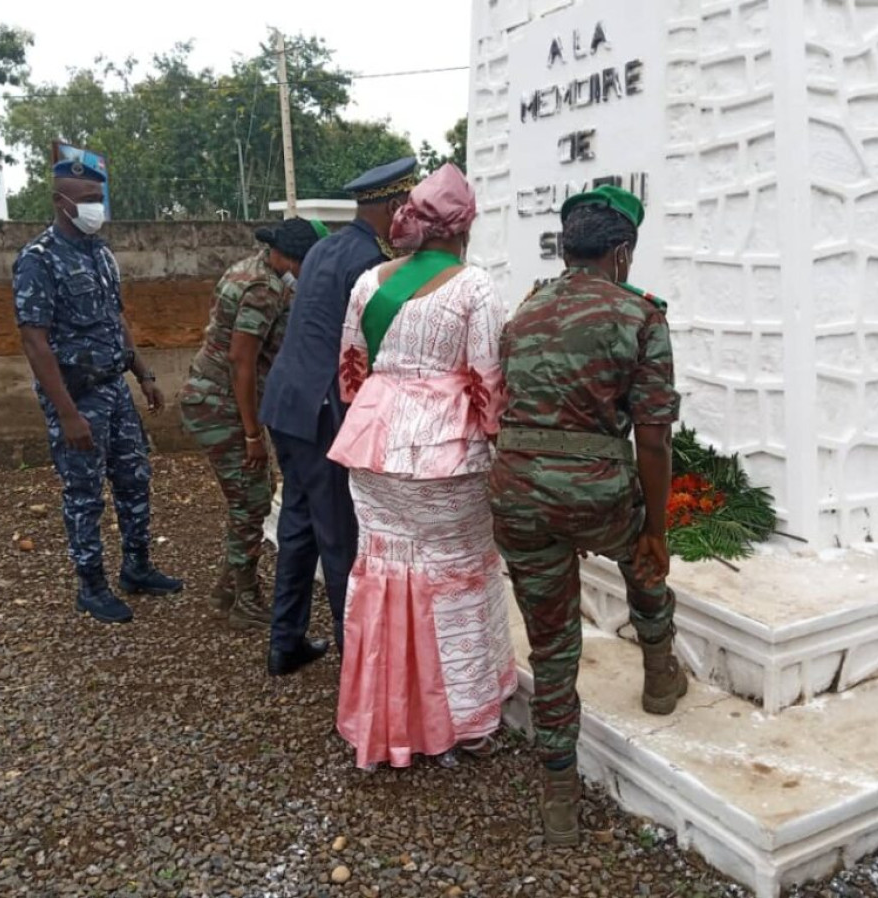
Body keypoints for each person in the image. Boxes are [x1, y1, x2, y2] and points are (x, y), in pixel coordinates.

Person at [488, 186, 686, 845]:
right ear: (621, 253)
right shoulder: (640, 316)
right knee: (641, 554)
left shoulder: (523, 312)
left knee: (551, 643)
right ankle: (659, 674)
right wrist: (656, 529)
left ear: (567, 249)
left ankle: (559, 799)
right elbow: (652, 439)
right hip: (595, 493)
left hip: (516, 493)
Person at [328, 164, 517, 770]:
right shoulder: (475, 287)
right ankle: (463, 722)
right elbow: (488, 380)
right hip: (449, 457)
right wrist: (496, 447)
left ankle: (385, 719)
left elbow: (351, 370)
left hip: (374, 447)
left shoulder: (367, 282)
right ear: (462, 227)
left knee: (384, 575)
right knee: (456, 581)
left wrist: (385, 423)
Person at [259, 157, 418, 677]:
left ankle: (286, 642)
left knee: (299, 525)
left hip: (286, 404)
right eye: (408, 207)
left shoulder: (326, 246)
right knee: (339, 539)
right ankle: (359, 674)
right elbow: (374, 353)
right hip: (322, 413)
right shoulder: (372, 265)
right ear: (395, 207)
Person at [14, 160, 183, 625]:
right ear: (60, 202)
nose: (94, 207)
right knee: (85, 491)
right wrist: (67, 414)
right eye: (86, 199)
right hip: (76, 395)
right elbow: (35, 339)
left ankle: (137, 566)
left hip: (115, 388)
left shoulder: (100, 253)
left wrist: (143, 373)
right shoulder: (38, 259)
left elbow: (116, 319)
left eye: (97, 198)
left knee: (134, 478)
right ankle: (91, 585)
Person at [179, 218, 326, 628]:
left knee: (251, 498)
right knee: (251, 502)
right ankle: (244, 599)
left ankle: (227, 591)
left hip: (212, 395)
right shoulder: (263, 289)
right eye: (303, 263)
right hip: (221, 403)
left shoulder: (247, 268)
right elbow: (241, 359)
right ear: (291, 257)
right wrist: (251, 434)